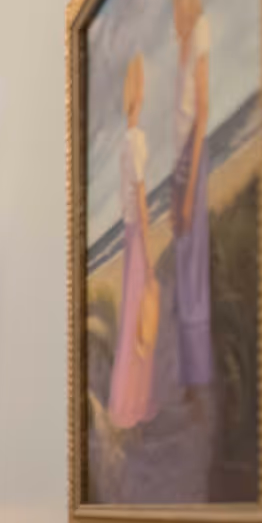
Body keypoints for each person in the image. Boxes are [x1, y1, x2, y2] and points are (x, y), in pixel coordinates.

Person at [108, 53, 159, 428]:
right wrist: (149, 250)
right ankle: (132, 404)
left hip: (128, 235)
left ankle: (130, 402)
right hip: (136, 234)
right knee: (141, 315)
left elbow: (127, 198)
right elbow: (140, 196)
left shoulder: (125, 142)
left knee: (132, 317)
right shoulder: (136, 140)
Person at [171, 0, 214, 398]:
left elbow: (202, 114)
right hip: (181, 164)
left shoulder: (200, 33)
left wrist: (187, 192)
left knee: (194, 270)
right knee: (184, 272)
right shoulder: (184, 47)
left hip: (193, 159)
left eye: (177, 3)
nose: (174, 15)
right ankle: (190, 378)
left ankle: (199, 379)